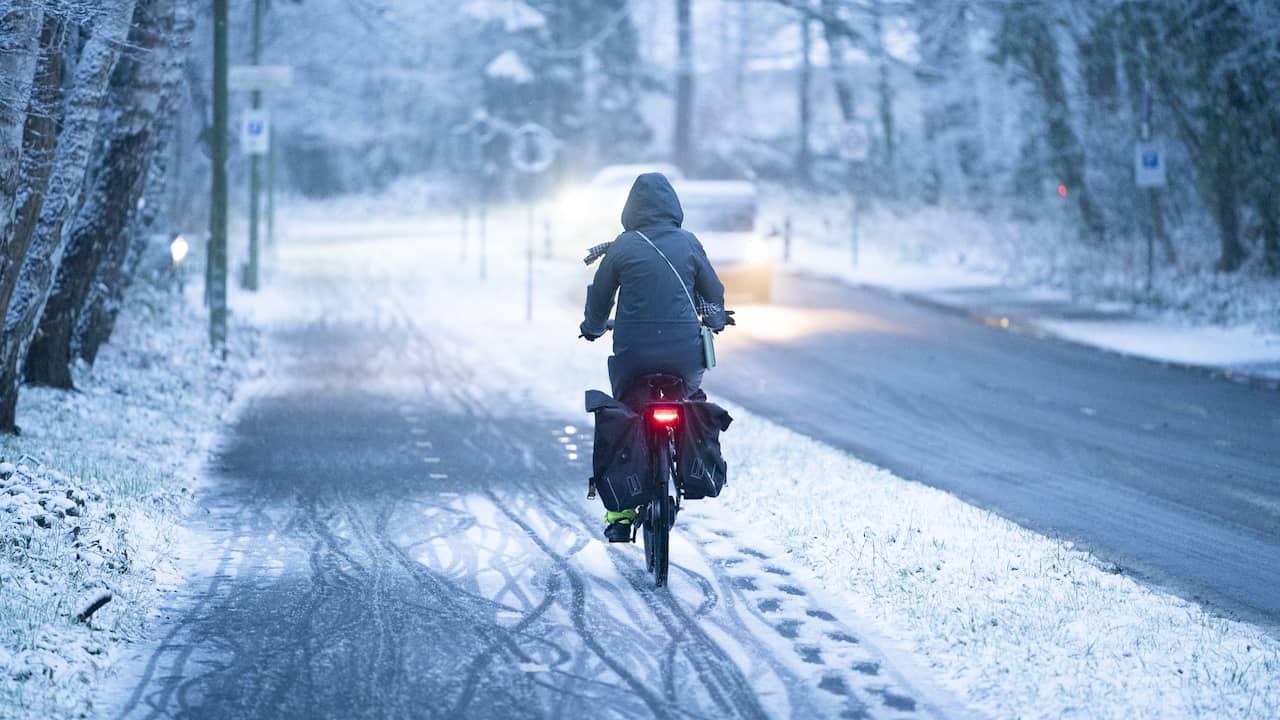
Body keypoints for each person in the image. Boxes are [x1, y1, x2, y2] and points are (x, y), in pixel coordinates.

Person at [579, 172, 732, 541]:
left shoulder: (621, 246)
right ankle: (690, 460)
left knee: (628, 412)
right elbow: (712, 290)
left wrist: (594, 327)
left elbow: (600, 299)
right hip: (683, 353)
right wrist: (714, 318)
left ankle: (621, 512)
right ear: (673, 207)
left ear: (630, 209)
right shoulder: (689, 242)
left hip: (634, 352)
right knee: (689, 396)